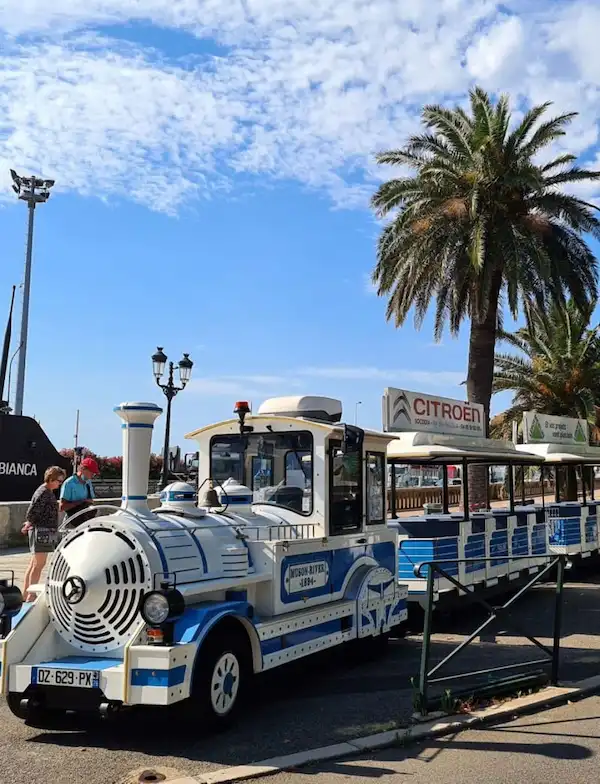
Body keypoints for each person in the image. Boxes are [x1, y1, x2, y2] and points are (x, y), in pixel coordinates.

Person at [22, 466, 66, 602]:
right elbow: (32, 512)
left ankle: (25, 593)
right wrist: (30, 523)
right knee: (38, 565)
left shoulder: (46, 491)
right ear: (51, 478)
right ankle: (31, 595)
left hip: (43, 531)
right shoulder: (44, 492)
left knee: (34, 564)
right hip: (42, 531)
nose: (60, 483)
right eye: (59, 480)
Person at [60, 457, 99, 529]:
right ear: (83, 469)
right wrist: (81, 502)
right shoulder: (69, 483)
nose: (92, 476)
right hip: (72, 523)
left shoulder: (88, 482)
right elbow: (62, 507)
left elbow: (91, 501)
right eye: (91, 473)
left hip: (86, 523)